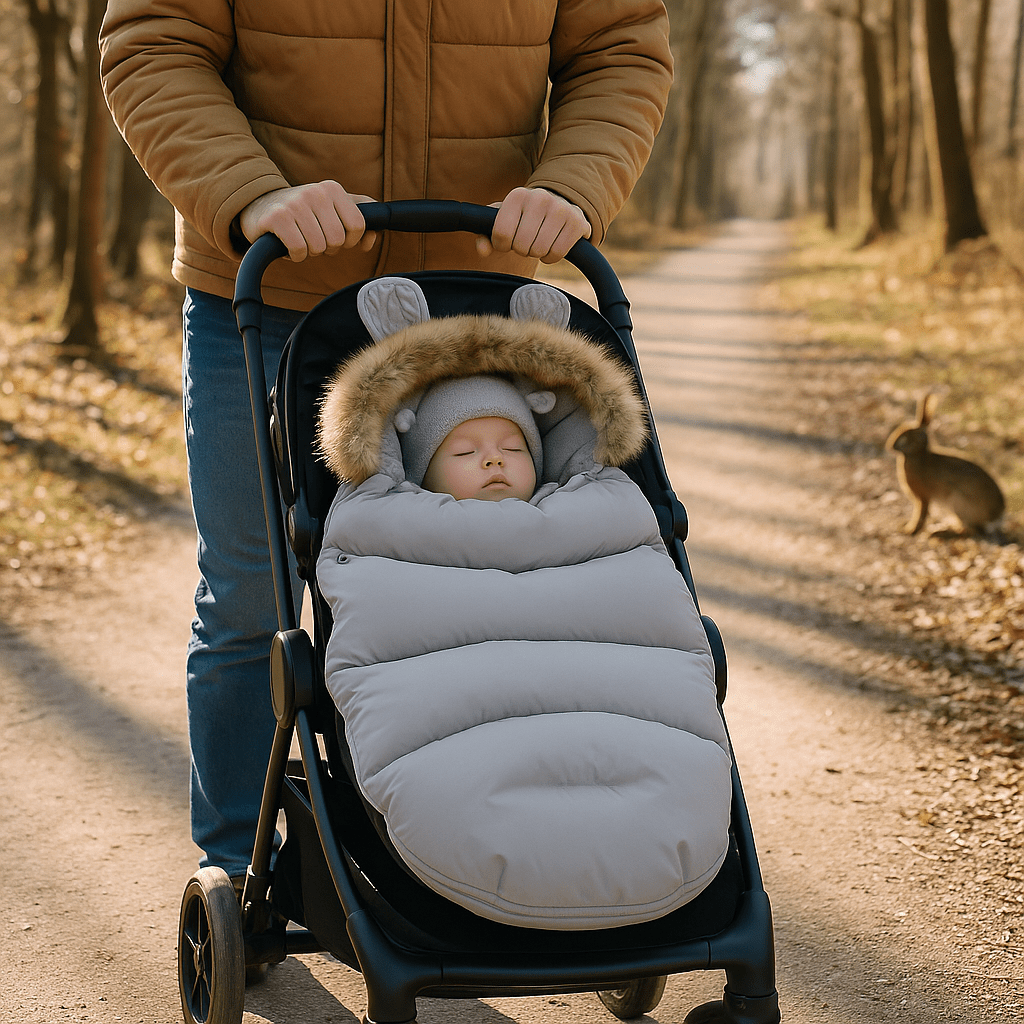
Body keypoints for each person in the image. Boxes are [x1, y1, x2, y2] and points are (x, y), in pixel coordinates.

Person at [98, 0, 674, 884]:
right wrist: (252, 192)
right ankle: (244, 866)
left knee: (492, 589)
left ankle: (462, 858)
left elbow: (619, 48)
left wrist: (573, 184)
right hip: (267, 283)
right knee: (256, 592)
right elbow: (153, 42)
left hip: (471, 294)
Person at [313, 279, 733, 930]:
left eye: (512, 447)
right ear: (422, 469)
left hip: (604, 716)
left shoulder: (603, 517)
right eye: (464, 450)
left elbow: (650, 626)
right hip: (459, 726)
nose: (493, 461)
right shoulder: (388, 530)